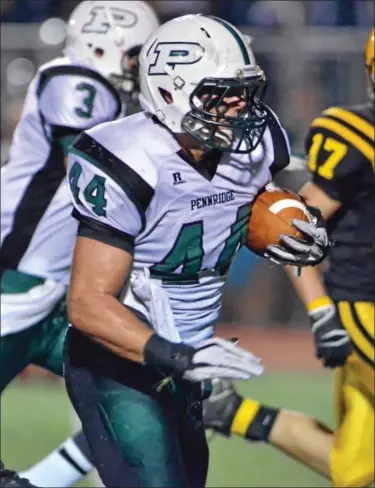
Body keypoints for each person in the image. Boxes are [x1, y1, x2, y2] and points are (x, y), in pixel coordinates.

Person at [63, 14, 330, 488]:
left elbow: (243, 213)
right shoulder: (131, 156)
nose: (238, 105)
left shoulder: (255, 144)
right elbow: (87, 304)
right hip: (118, 362)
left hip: (187, 359)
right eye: (220, 92)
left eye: (244, 91)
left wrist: (287, 227)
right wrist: (176, 356)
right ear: (171, 91)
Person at [203, 27, 375, 488]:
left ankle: (231, 412)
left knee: (353, 470)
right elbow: (294, 230)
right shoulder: (358, 138)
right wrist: (320, 313)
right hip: (366, 308)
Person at [0, 2, 159, 487]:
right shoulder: (75, 80)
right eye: (136, 56)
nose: (141, 69)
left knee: (153, 395)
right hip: (13, 285)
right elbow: (96, 175)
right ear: (102, 47)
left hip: (57, 296)